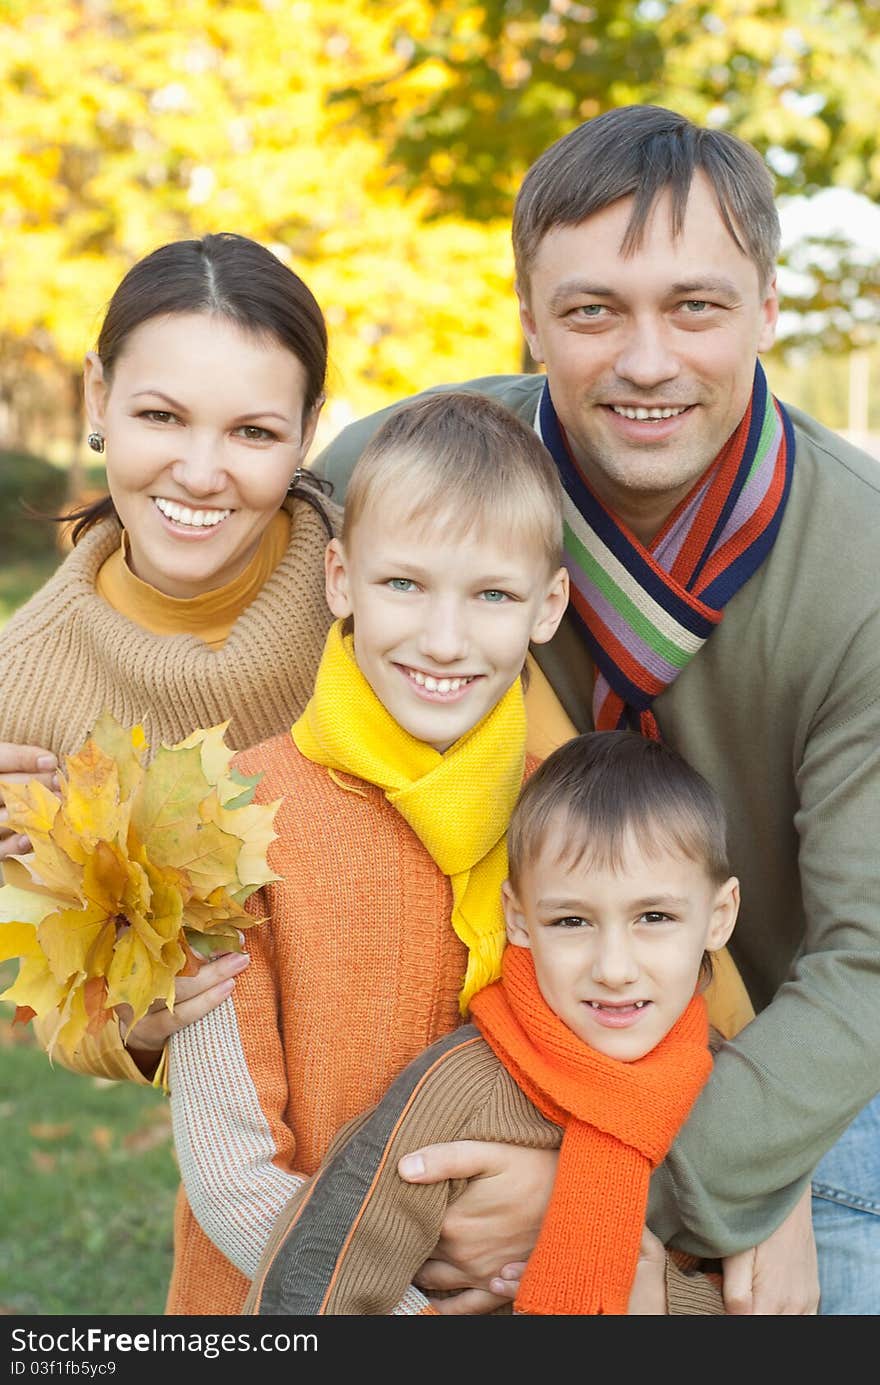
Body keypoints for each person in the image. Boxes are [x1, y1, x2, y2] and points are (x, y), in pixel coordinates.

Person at [312, 104, 880, 1315]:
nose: (645, 360)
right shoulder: (391, 485)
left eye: (695, 306)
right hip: (471, 1056)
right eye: (590, 311)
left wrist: (640, 1187)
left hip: (778, 1070)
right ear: (527, 317)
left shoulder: (863, 566)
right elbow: (187, 639)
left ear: (768, 309)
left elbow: (868, 956)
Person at [164, 389, 570, 1314]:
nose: (443, 638)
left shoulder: (570, 819)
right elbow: (231, 1164)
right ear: (341, 578)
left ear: (548, 606)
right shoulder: (228, 817)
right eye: (404, 584)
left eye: (493, 595)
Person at [244, 730, 741, 1316]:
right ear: (520, 920)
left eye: (653, 917)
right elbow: (318, 1280)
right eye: (572, 922)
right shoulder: (462, 1089)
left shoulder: (729, 1087)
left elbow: (741, 1291)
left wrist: (660, 1301)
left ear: (719, 916)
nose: (613, 968)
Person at [0, 230, 340, 1077]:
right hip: (259, 1142)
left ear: (308, 432)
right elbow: (64, 996)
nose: (199, 471)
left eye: (253, 432)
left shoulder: (384, 589)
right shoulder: (25, 685)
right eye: (161, 416)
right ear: (96, 399)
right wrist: (135, 1031)